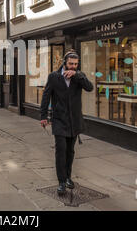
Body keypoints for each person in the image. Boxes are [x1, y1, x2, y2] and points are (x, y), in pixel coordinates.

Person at [40, 51, 93, 195]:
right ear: (65, 63)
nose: (73, 66)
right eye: (71, 64)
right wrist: (43, 115)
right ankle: (61, 182)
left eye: (76, 64)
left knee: (70, 151)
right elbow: (46, 96)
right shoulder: (54, 77)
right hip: (59, 120)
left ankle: (68, 177)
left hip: (74, 121)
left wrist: (77, 75)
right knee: (61, 151)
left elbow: (90, 87)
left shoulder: (79, 77)